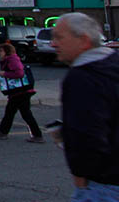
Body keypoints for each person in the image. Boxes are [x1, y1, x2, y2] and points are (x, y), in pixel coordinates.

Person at [51, 12, 119, 199]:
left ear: (84, 40)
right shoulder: (113, 63)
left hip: (104, 185)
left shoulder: (82, 78)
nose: (53, 43)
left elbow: (88, 137)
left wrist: (81, 175)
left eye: (59, 37)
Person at [0, 43, 43, 142]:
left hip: (21, 92)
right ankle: (2, 132)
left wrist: (5, 74)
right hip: (17, 92)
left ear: (6, 51)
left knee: (24, 114)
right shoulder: (8, 60)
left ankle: (37, 135)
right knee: (10, 112)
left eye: (1, 51)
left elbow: (19, 73)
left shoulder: (12, 60)